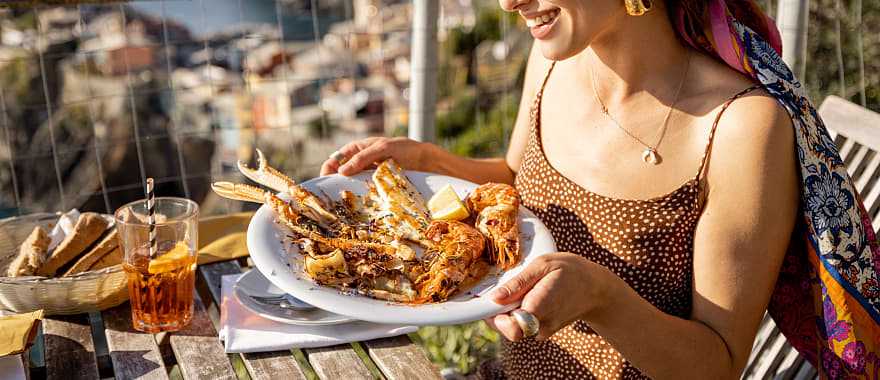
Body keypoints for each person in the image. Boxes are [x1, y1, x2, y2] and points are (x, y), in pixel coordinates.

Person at [321, 0, 880, 378]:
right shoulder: (555, 62)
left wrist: (603, 300)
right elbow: (518, 180)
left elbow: (721, 361)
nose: (510, 1)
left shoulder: (740, 127)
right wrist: (429, 160)